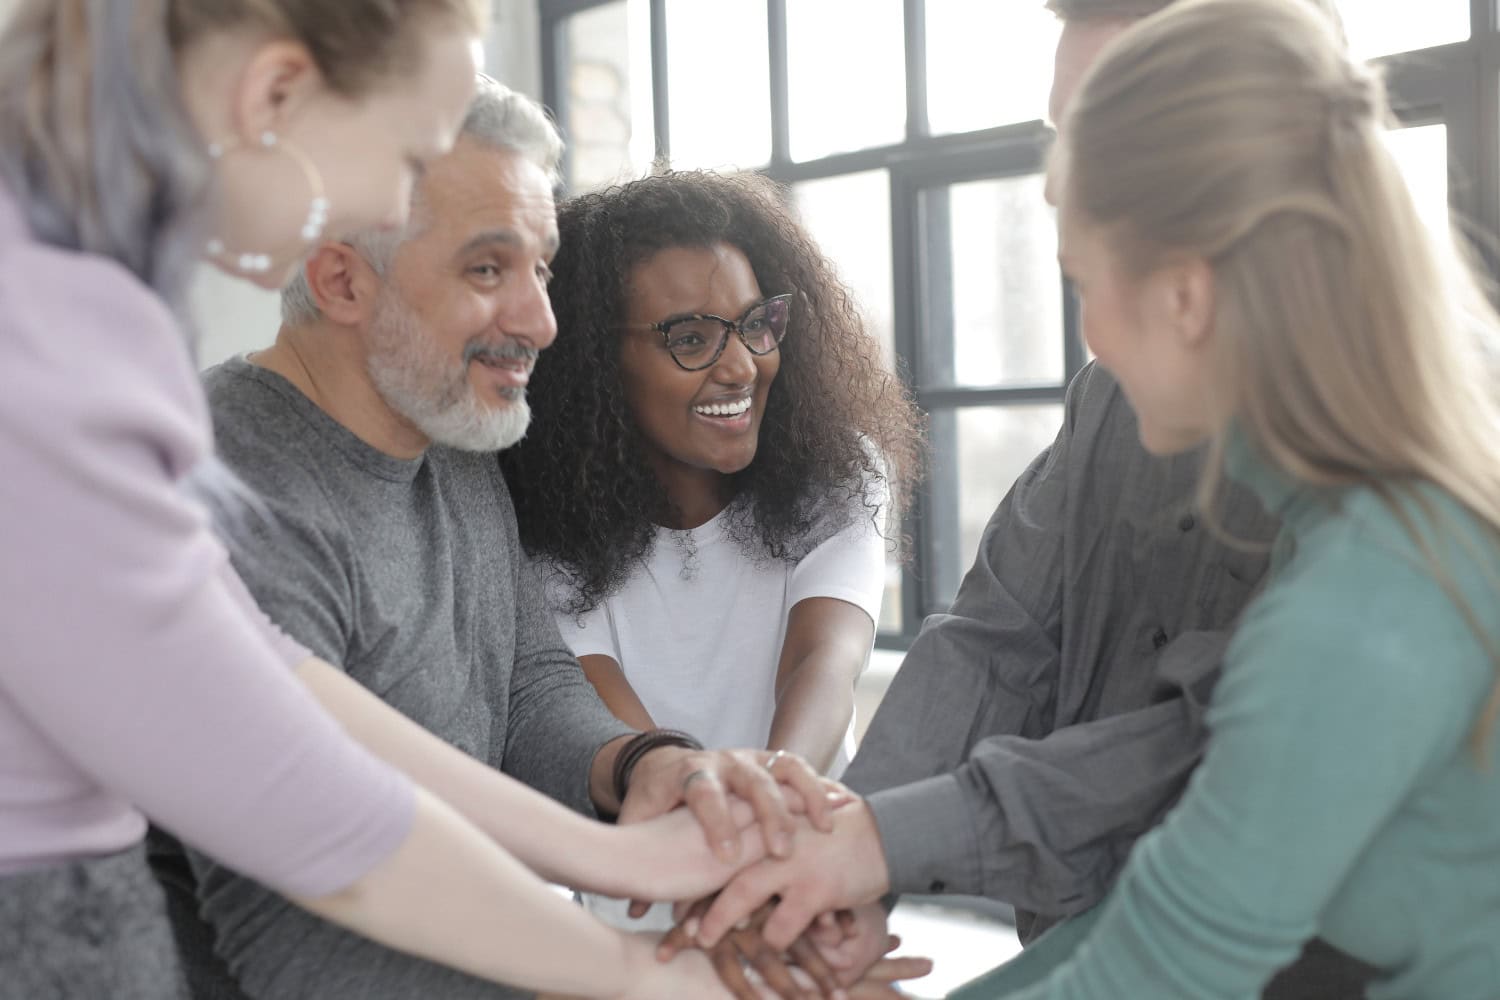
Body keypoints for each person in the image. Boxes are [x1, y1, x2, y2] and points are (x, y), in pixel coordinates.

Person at [0, 3, 798, 998]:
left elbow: (273, 685)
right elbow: (301, 807)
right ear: (275, 97)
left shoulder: (85, 293)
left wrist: (633, 817)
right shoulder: (57, 331)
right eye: (405, 147)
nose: (544, 322)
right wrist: (648, 975)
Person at [157, 80, 919, 1000]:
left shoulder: (454, 445)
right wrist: (681, 979)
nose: (543, 323)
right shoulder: (220, 486)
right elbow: (298, 920)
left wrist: (646, 767)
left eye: (543, 270)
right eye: (488, 270)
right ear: (341, 279)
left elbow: (525, 689)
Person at [673, 1, 1376, 998]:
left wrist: (876, 840)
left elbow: (1216, 743)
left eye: (1109, 148)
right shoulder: (1112, 399)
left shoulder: (1384, 453)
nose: (1062, 203)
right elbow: (994, 636)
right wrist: (846, 869)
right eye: (1062, 143)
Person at [961, 0, 1500, 993]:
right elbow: (1180, 919)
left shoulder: (1361, 602)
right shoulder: (1403, 517)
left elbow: (1163, 968)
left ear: (1186, 297)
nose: (1090, 339)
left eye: (1083, 282)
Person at [504, 169, 922, 784]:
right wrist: (708, 812)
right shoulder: (546, 521)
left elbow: (824, 660)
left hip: (802, 849)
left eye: (755, 325)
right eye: (691, 338)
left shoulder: (837, 476)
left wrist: (773, 791)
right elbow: (603, 717)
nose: (741, 367)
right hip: (648, 855)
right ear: (594, 361)